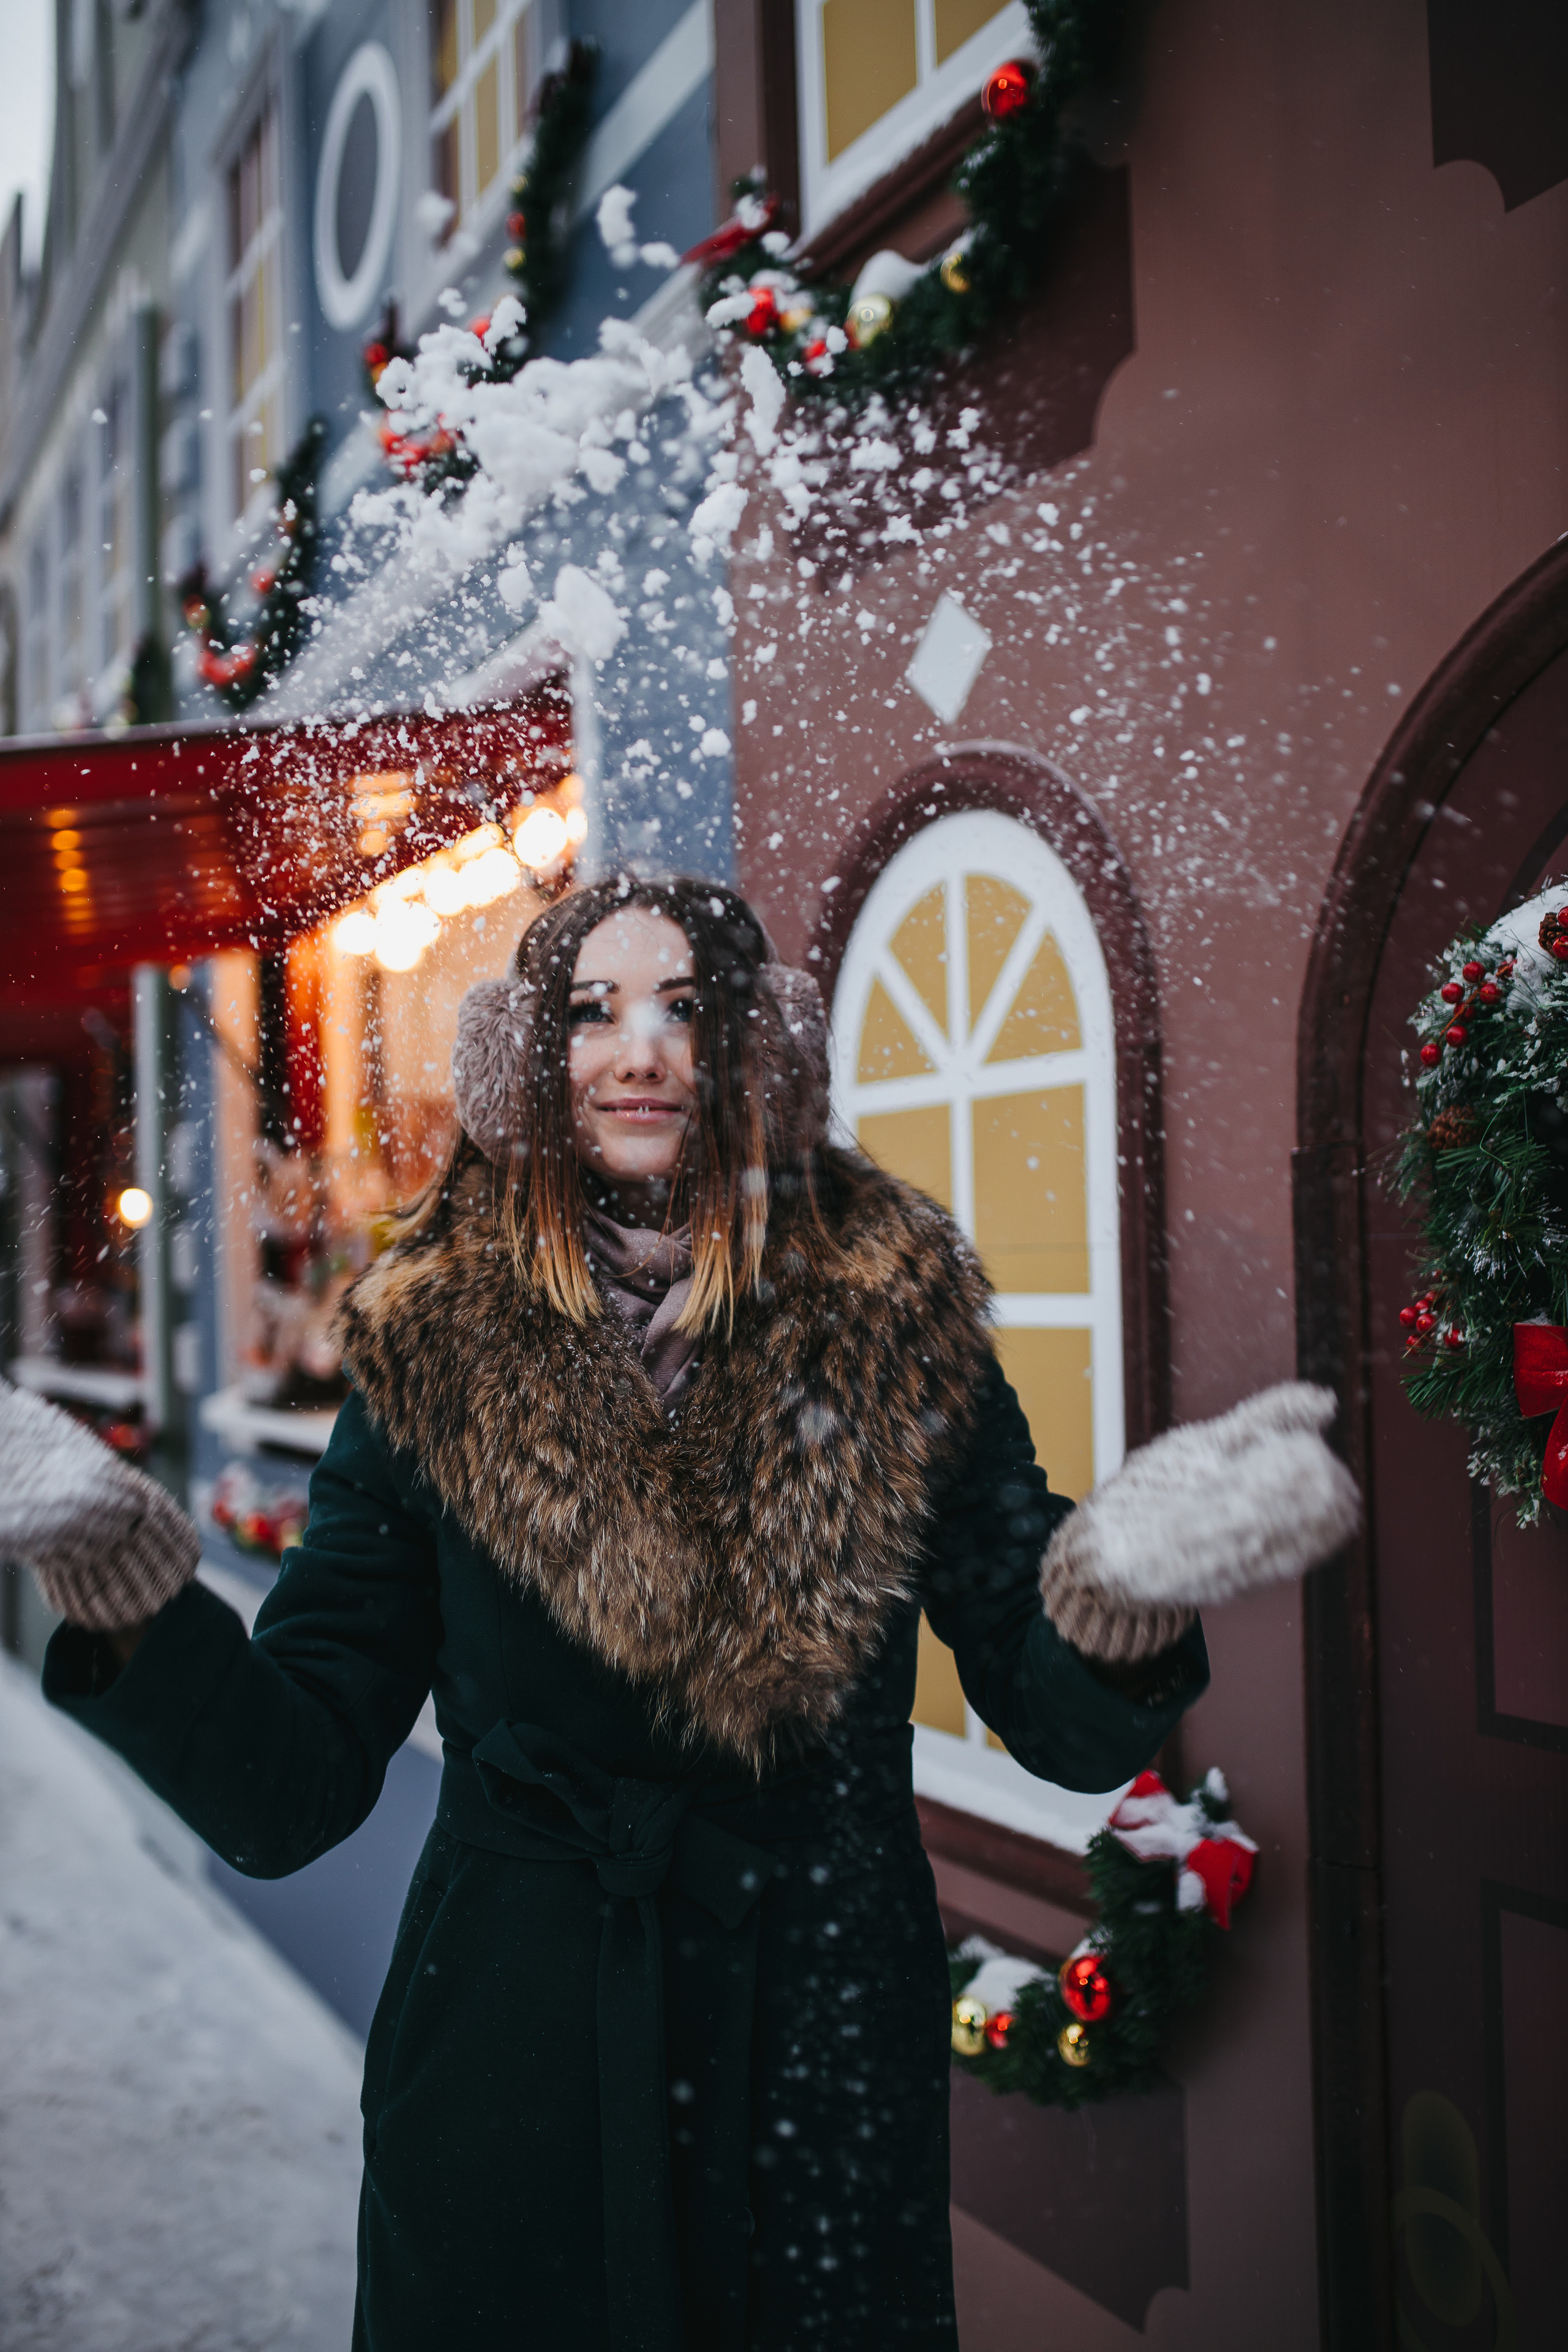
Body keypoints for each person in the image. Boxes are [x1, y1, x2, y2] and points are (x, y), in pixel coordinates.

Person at [0, 874, 1357, 2352]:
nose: (638, 1050)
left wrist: (1106, 1599)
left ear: (754, 1051)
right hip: (509, 2052)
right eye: (591, 1012)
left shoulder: (893, 1331)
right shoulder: (435, 1352)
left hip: (813, 2042)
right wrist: (136, 1588)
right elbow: (293, 1787)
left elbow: (1056, 1724)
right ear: (530, 1056)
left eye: (684, 1008)